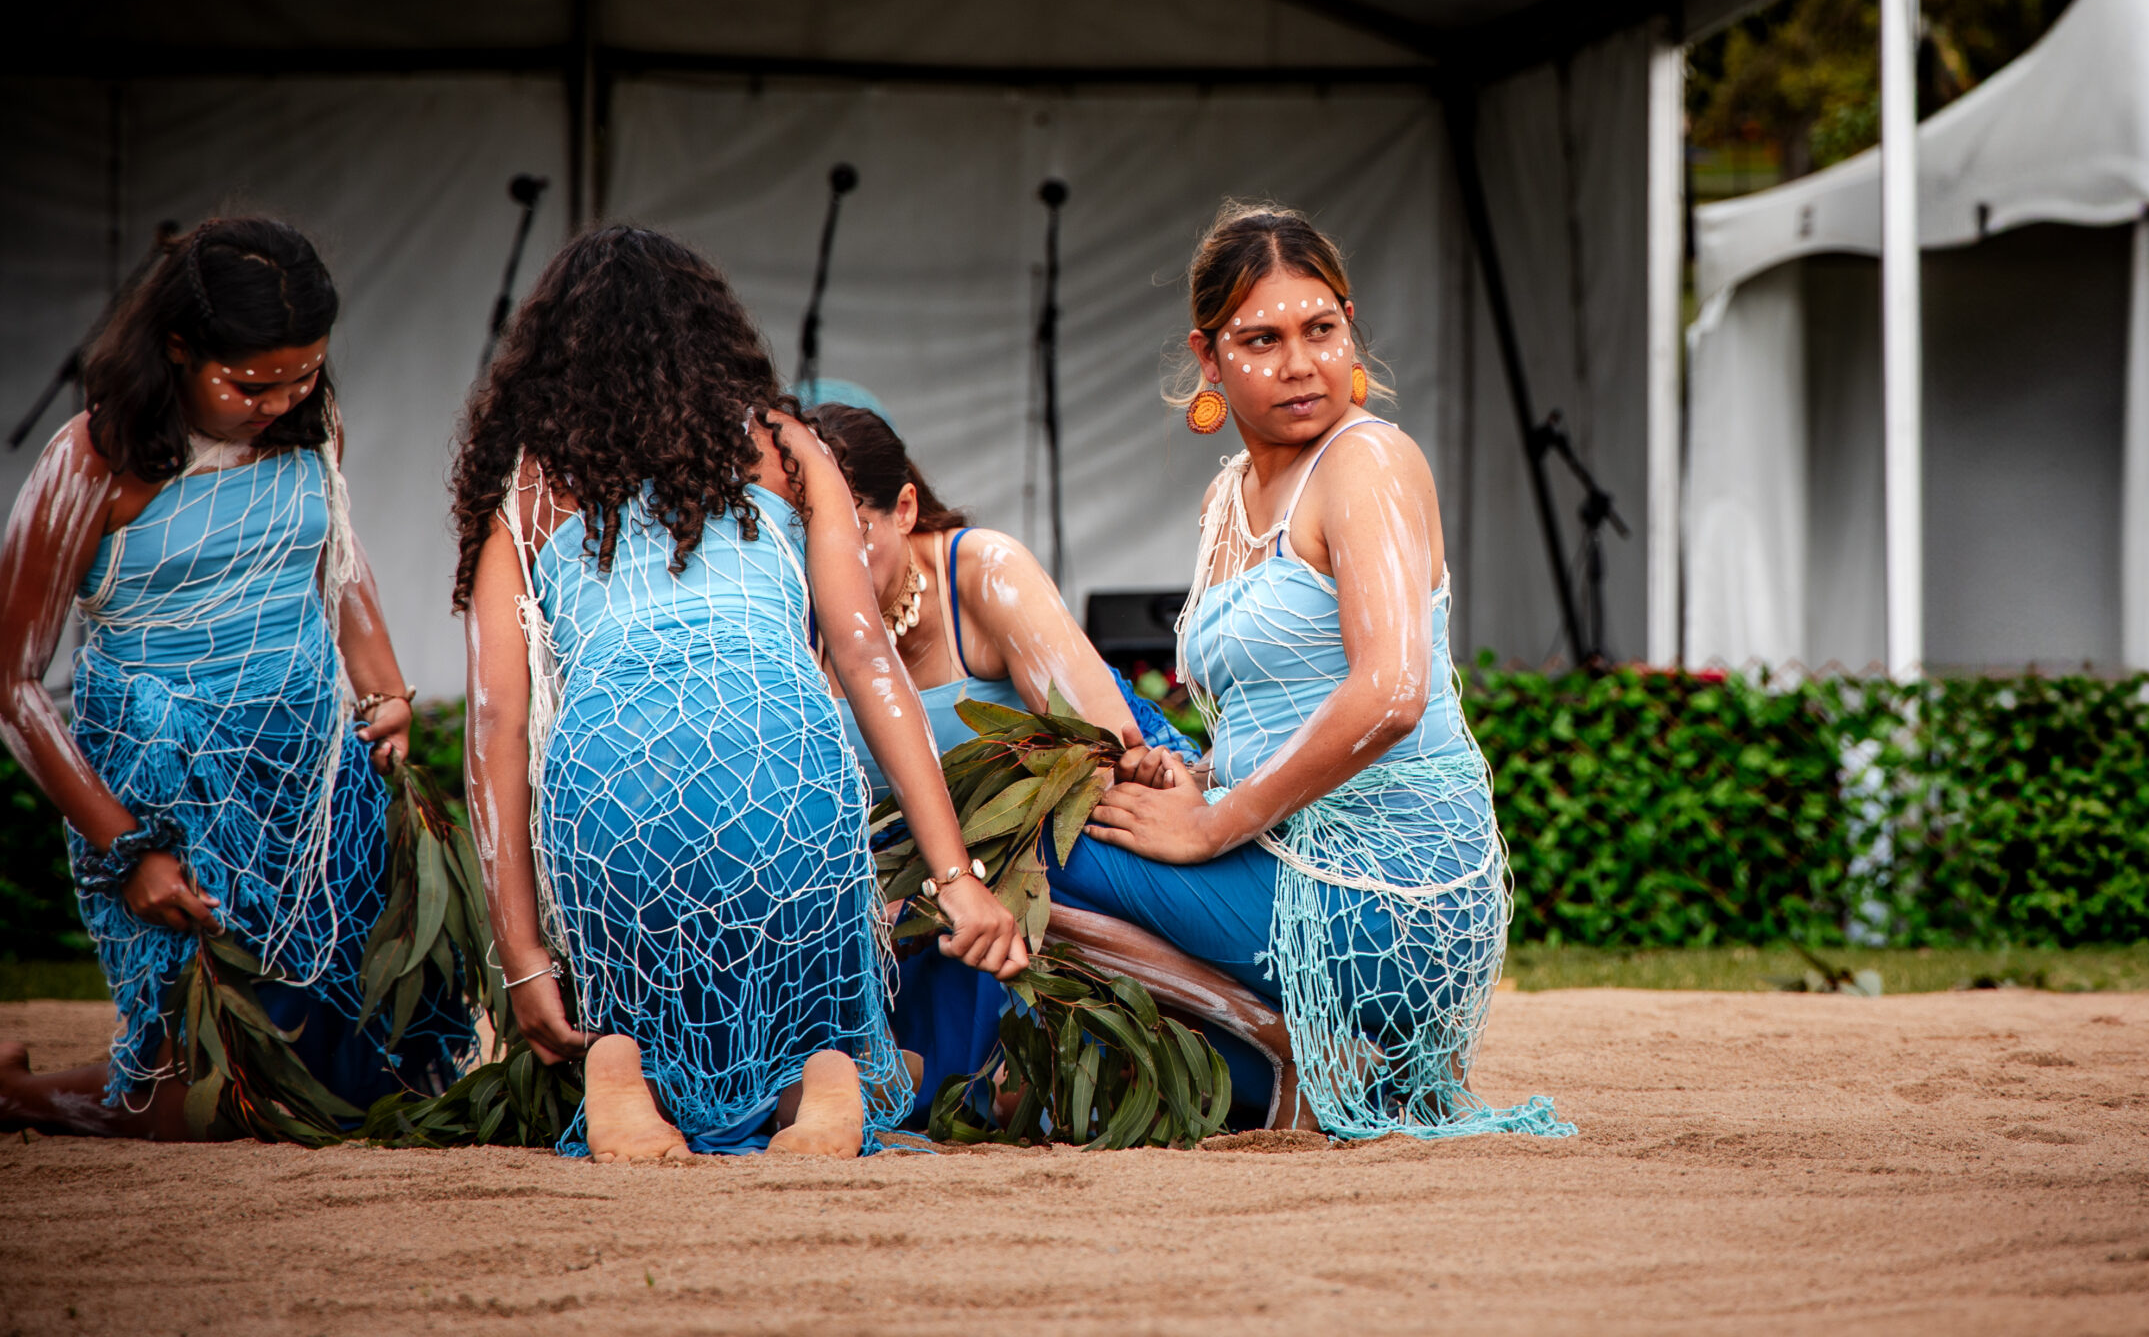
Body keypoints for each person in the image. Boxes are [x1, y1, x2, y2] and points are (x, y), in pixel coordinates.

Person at [453, 226, 1026, 1161]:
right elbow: (869, 659)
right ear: (717, 337)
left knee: (641, 902)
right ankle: (822, 1071)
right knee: (801, 962)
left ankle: (623, 1062)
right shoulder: (789, 451)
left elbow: (497, 725)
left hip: (613, 781)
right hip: (780, 761)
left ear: (550, 362)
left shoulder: (527, 488)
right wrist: (956, 878)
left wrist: (522, 956)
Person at [1060, 201, 1569, 1139]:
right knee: (1072, 817)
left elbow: (1390, 695)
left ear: (1349, 326)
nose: (1300, 363)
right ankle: (1285, 1059)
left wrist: (1211, 824)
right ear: (1208, 359)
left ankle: (1296, 1048)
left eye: (1321, 329)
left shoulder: (1367, 462)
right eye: (1261, 339)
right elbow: (1275, 709)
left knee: (1017, 855)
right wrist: (1198, 774)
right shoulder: (1228, 499)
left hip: (1396, 900)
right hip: (1293, 862)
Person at [0, 217, 465, 1137]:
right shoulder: (92, 460)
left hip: (311, 770)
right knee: (211, 1092)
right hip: (164, 781)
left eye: (304, 374)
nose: (281, 399)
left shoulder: (309, 421)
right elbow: (12, 688)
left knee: (357, 1069)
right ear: (176, 348)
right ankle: (13, 1096)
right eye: (252, 382)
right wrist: (126, 848)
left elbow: (337, 553)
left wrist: (386, 693)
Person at [804, 403, 1198, 785]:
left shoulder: (987, 570)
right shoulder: (789, 603)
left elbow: (1106, 762)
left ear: (904, 509)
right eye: (802, 535)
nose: (824, 558)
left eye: (855, 531)